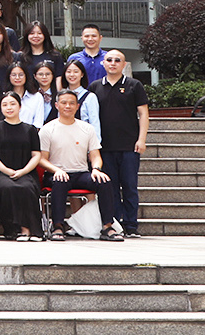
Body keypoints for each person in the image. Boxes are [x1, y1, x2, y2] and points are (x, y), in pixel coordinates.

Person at [39, 89, 123, 242]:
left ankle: (107, 226)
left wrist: (96, 169)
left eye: (72, 103)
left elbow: (95, 156)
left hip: (81, 173)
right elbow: (42, 159)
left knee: (104, 181)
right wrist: (57, 170)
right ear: (57, 105)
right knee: (59, 181)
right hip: (56, 173)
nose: (68, 106)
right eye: (64, 103)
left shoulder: (87, 129)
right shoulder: (47, 129)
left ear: (77, 106)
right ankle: (57, 226)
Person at [89, 49, 150, 237]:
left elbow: (143, 113)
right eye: (109, 60)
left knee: (130, 186)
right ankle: (114, 224)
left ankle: (131, 226)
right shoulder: (95, 87)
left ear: (124, 65)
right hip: (104, 148)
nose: (113, 63)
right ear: (103, 63)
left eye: (117, 60)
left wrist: (142, 139)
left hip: (129, 146)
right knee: (111, 188)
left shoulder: (134, 85)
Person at [0, 91, 45, 241]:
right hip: (0, 173)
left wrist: (23, 171)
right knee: (9, 187)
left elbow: (36, 155)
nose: (9, 107)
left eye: (12, 104)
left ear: (20, 106)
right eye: (4, 105)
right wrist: (5, 170)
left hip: (25, 171)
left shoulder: (30, 129)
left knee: (27, 187)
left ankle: (32, 230)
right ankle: (17, 229)